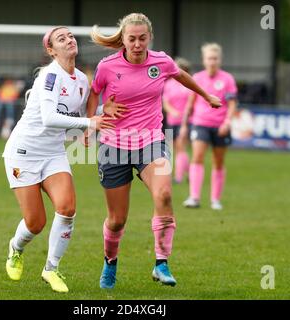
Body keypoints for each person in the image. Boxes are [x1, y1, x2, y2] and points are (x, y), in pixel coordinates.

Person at [86, 13, 221, 289]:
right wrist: (94, 120)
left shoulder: (161, 61)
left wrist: (206, 96)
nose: (137, 44)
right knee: (116, 220)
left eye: (142, 38)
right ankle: (110, 263)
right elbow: (93, 93)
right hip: (114, 146)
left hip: (151, 142)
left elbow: (181, 75)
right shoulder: (107, 66)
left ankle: (161, 263)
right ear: (123, 39)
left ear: (150, 38)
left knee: (165, 193)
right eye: (132, 39)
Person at [2, 26, 119, 293]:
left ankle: (51, 269)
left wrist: (102, 109)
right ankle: (16, 248)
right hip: (24, 152)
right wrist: (92, 121)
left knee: (67, 209)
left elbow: (75, 115)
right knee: (36, 223)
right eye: (61, 39)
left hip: (53, 152)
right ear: (51, 50)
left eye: (70, 36)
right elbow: (50, 118)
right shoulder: (49, 76)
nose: (69, 40)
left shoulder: (80, 79)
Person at [180, 43, 238, 211]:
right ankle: (194, 197)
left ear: (220, 60)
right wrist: (184, 125)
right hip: (200, 123)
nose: (212, 61)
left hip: (221, 126)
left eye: (215, 58)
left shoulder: (227, 79)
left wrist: (227, 122)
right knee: (197, 156)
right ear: (203, 60)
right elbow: (190, 104)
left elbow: (232, 104)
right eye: (209, 58)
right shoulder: (197, 78)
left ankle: (215, 199)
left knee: (218, 161)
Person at [162, 57, 192, 184]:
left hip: (185, 121)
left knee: (181, 147)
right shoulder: (169, 84)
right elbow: (165, 102)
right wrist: (172, 111)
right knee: (175, 149)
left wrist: (184, 114)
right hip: (171, 120)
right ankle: (191, 171)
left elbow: (192, 102)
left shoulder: (189, 84)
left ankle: (178, 177)